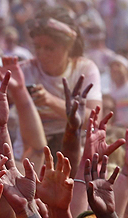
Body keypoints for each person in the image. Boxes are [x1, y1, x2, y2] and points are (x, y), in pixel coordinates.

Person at [21, 7, 102, 151]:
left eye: (50, 48)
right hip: (33, 148)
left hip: (74, 146)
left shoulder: (84, 69)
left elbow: (95, 119)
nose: (41, 54)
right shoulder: (25, 70)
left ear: (68, 47)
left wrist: (50, 101)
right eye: (37, 47)